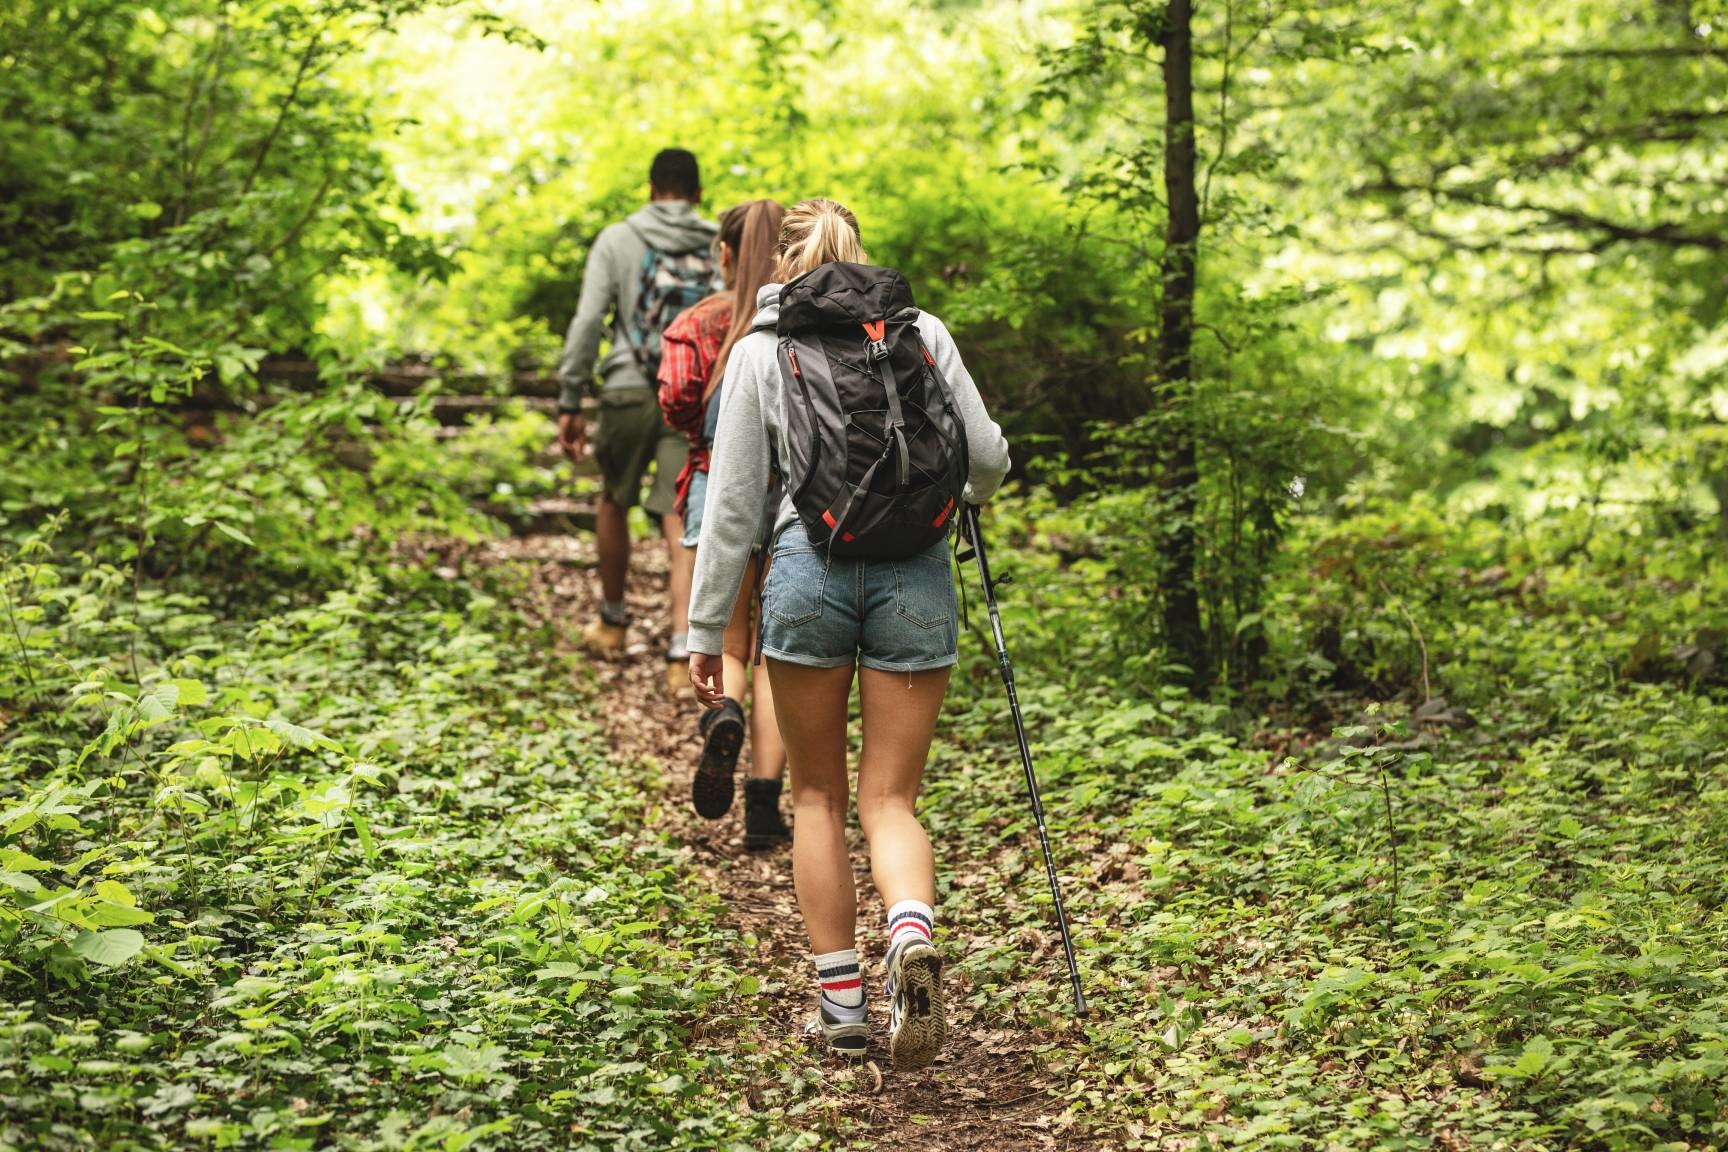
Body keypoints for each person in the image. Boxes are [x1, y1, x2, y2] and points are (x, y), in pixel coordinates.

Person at [685, 199, 1011, 1069]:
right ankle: (910, 933)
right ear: (861, 251)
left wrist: (705, 627)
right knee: (891, 800)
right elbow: (985, 461)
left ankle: (843, 1010)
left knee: (819, 799)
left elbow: (732, 510)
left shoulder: (760, 351)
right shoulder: (923, 333)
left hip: (806, 576)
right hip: (915, 574)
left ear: (780, 263)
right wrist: (957, 501)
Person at [555, 148, 716, 696]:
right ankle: (679, 653)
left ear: (651, 189)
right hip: (691, 388)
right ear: (697, 193)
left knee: (613, 498)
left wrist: (570, 397)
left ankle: (613, 621)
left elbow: (587, 320)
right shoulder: (718, 240)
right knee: (680, 514)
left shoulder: (618, 239)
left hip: (626, 384)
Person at [657, 198, 791, 845]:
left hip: (719, 488)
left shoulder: (700, 323)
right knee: (775, 655)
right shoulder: (805, 327)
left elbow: (676, 398)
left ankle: (721, 717)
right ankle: (764, 808)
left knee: (729, 642)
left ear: (725, 254)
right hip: (793, 501)